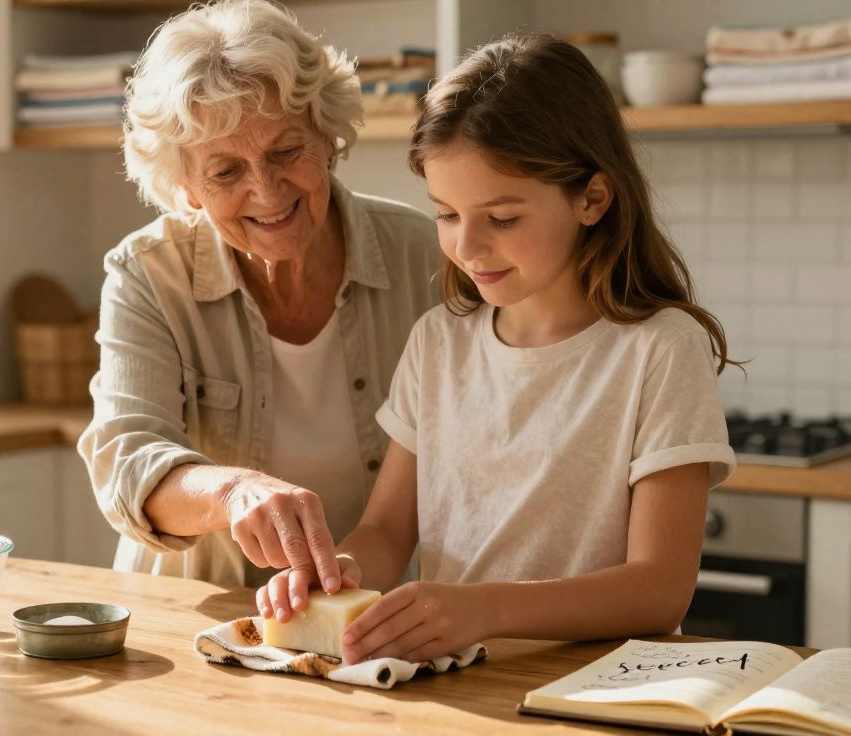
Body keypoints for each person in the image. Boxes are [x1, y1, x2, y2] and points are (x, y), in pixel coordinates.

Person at [258, 33, 739, 663]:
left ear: (592, 198)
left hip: (600, 690)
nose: (468, 246)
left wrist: (484, 607)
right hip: (459, 685)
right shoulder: (438, 341)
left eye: (502, 218)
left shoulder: (660, 350)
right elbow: (385, 529)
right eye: (447, 215)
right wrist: (334, 572)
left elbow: (659, 590)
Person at [77, 0, 440, 591]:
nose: (266, 191)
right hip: (194, 610)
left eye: (286, 151)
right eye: (225, 172)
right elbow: (128, 461)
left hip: (364, 614)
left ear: (328, 136)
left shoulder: (426, 255)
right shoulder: (147, 273)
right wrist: (233, 491)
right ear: (186, 189)